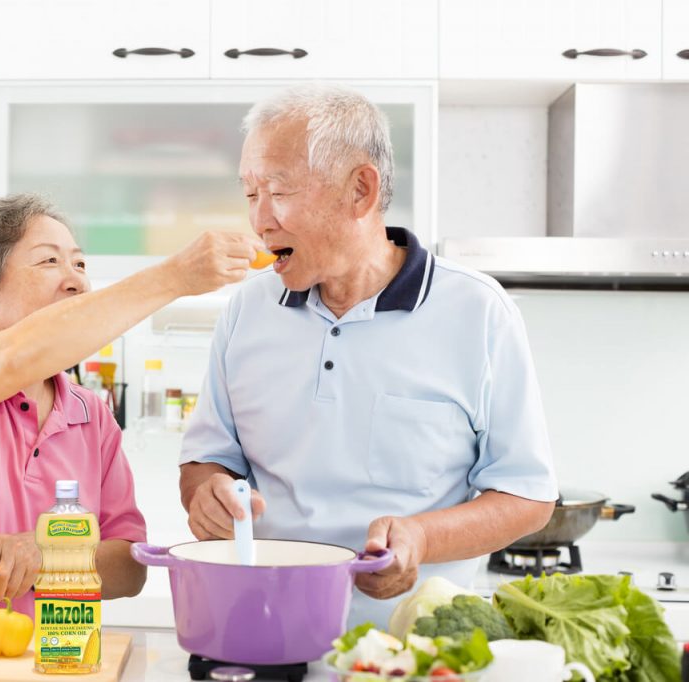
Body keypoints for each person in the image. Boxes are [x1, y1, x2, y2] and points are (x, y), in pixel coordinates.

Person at [178, 84, 558, 627]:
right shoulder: (247, 309)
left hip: (414, 648)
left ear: (360, 189)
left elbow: (527, 495)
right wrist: (206, 492)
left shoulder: (478, 311)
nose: (259, 220)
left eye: (278, 191)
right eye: (249, 194)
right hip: (264, 633)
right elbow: (207, 460)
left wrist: (421, 538)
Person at [0, 194, 264, 615]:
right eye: (49, 262)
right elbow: (14, 357)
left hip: (58, 665)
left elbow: (128, 567)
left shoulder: (91, 414)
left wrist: (54, 553)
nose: (76, 281)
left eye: (80, 264)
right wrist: (173, 277)